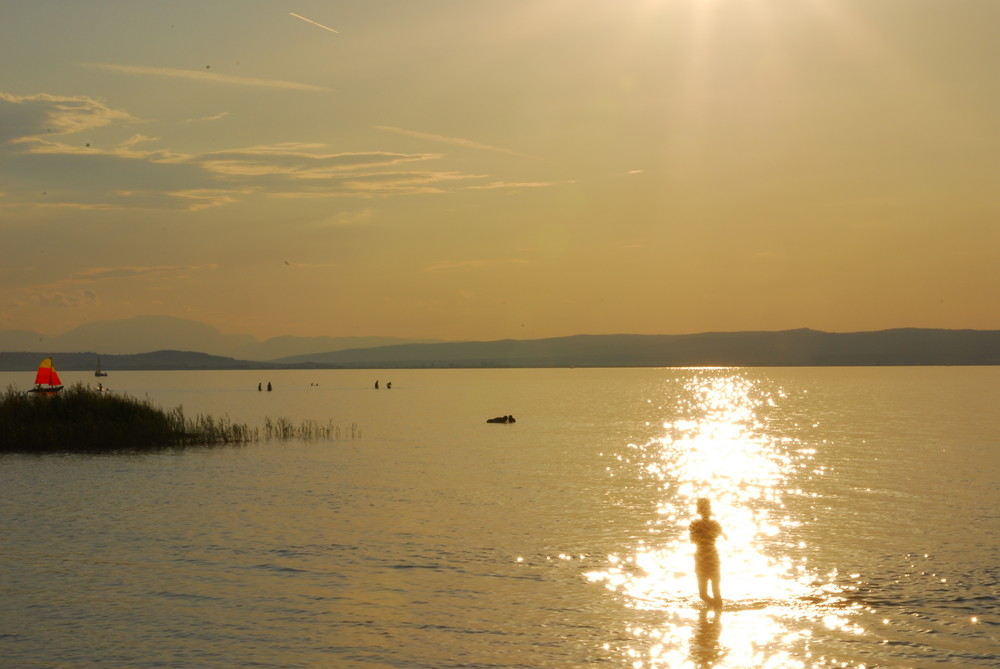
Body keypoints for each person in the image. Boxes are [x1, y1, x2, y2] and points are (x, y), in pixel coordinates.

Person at [689, 497, 725, 607]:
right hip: (709, 559)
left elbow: (693, 540)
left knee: (705, 594)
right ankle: (716, 612)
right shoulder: (699, 524)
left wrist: (703, 535)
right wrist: (707, 534)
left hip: (703, 560)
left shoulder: (698, 524)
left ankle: (715, 610)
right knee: (709, 593)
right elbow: (695, 539)